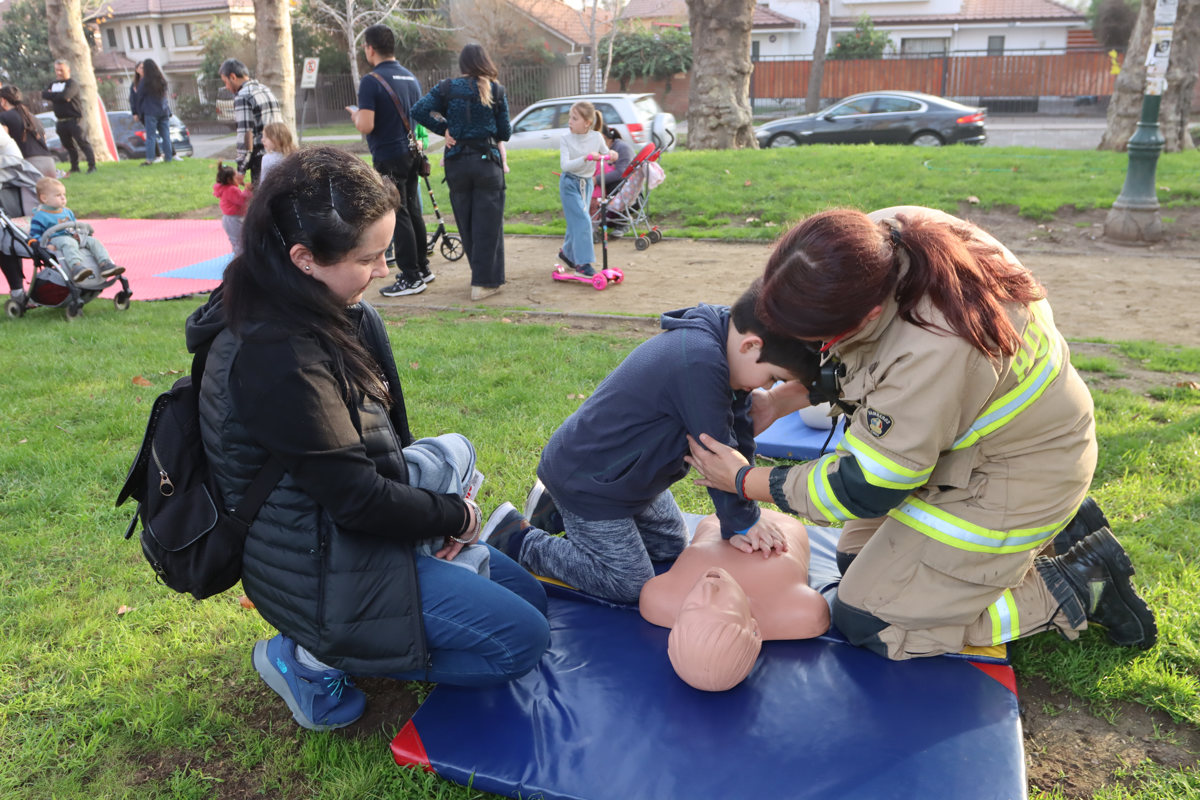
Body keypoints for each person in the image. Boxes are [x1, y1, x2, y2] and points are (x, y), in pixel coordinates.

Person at [685, 206, 1158, 661]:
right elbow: (859, 364)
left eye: (819, 341)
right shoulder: (878, 243)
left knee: (872, 621)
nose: (816, 351)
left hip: (1014, 473)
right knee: (853, 563)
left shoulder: (934, 348)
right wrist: (782, 401)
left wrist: (746, 481)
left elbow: (867, 486)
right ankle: (1055, 530)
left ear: (867, 316)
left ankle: (1074, 586)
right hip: (968, 452)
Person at [186, 146, 549, 731]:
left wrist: (430, 526)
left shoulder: (340, 314)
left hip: (353, 528)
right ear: (304, 258)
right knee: (519, 645)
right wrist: (452, 518)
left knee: (532, 605)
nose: (383, 271)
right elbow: (357, 500)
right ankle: (306, 653)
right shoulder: (275, 355)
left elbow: (390, 454)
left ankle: (395, 611)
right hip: (317, 565)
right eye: (370, 258)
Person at [481, 279, 817, 604]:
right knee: (629, 582)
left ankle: (553, 510)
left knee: (670, 546)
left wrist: (745, 509)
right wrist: (743, 522)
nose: (769, 387)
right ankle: (518, 538)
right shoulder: (699, 363)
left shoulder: (727, 345)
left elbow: (738, 436)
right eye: (773, 378)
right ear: (751, 346)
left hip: (629, 480)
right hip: (590, 482)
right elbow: (715, 452)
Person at [640, 510, 830, 691]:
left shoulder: (658, 599)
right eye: (723, 607)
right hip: (781, 526)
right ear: (754, 630)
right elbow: (815, 615)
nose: (708, 587)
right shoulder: (801, 613)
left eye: (692, 606)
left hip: (717, 520)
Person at [412, 44, 511, 301]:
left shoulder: (447, 88)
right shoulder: (496, 90)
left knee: (466, 222)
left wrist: (444, 127)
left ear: (462, 64)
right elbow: (505, 133)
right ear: (484, 62)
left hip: (457, 164)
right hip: (487, 163)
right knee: (488, 224)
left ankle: (479, 276)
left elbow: (418, 110)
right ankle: (484, 282)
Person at [348, 24, 431, 299]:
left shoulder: (371, 81)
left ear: (369, 48)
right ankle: (422, 267)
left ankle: (410, 276)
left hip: (387, 153)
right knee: (413, 210)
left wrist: (356, 115)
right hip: (411, 152)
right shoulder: (410, 78)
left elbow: (367, 124)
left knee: (399, 213)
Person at [29, 176, 124, 282]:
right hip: (56, 240)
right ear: (44, 198)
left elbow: (75, 225)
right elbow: (34, 235)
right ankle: (76, 267)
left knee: (93, 241)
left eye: (64, 195)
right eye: (58, 195)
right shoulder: (40, 216)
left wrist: (78, 233)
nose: (63, 198)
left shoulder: (67, 212)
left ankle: (105, 264)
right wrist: (46, 245)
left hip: (72, 237)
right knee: (68, 242)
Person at [556, 101, 610, 278]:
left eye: (574, 118)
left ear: (587, 122)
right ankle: (583, 263)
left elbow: (605, 154)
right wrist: (585, 158)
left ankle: (567, 254)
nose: (570, 121)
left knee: (576, 222)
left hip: (587, 184)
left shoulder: (596, 137)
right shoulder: (566, 139)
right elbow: (565, 166)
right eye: (570, 117)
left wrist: (611, 156)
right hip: (570, 184)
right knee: (583, 221)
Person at [218, 59, 282, 186]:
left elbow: (246, 135)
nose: (226, 87)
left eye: (225, 82)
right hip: (280, 155)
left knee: (262, 202)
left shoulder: (242, 96)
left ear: (233, 77)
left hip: (260, 160)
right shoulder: (265, 90)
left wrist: (241, 169)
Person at [41, 60, 96, 174]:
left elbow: (65, 96)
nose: (59, 73)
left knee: (82, 143)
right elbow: (44, 94)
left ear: (68, 70)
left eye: (61, 70)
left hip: (74, 119)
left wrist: (54, 96)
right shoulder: (53, 84)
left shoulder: (72, 84)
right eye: (57, 70)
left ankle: (92, 166)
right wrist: (58, 96)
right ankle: (75, 167)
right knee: (68, 145)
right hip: (61, 121)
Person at [0, 85, 57, 178]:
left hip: (29, 164)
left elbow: (3, 140)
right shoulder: (33, 117)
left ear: (3, 100)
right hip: (49, 161)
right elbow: (44, 139)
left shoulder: (3, 117)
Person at [136, 59, 177, 166]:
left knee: (151, 136)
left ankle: (150, 158)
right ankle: (168, 158)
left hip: (150, 112)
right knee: (166, 136)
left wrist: (140, 113)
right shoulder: (161, 79)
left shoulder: (144, 82)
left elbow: (139, 97)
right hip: (163, 111)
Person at [212, 162, 248, 254]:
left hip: (230, 219)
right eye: (236, 176)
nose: (239, 178)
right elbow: (241, 200)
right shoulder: (231, 189)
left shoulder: (225, 188)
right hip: (233, 220)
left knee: (237, 242)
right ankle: (239, 262)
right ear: (229, 179)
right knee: (239, 243)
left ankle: (238, 260)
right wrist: (248, 190)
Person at [258, 121, 296, 185]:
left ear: (277, 138)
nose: (262, 140)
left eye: (266, 137)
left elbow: (263, 184)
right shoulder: (295, 156)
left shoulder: (267, 159)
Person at [128, 61, 143, 125]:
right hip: (141, 112)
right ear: (137, 70)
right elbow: (132, 99)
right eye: (141, 68)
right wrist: (135, 113)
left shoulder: (151, 82)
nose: (143, 70)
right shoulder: (135, 84)